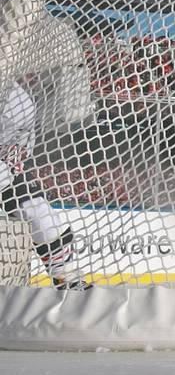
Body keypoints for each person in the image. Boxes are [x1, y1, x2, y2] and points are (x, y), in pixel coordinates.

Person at [0, 82, 90, 290]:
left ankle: (66, 277)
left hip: (7, 171)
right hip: (7, 171)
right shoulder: (17, 100)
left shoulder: (16, 99)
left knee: (38, 210)